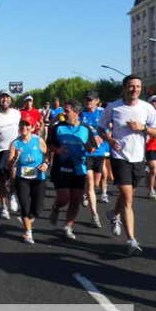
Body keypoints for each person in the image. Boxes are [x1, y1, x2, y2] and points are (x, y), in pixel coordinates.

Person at [99, 75, 156, 256]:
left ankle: (114, 214)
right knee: (127, 198)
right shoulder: (113, 107)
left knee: (127, 196)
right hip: (120, 157)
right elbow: (101, 128)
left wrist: (143, 128)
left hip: (138, 158)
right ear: (124, 88)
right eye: (131, 86)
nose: (135, 89)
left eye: (138, 86)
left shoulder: (147, 108)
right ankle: (132, 240)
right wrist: (110, 140)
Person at [48, 100, 98, 239]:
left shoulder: (85, 128)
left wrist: (90, 147)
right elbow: (49, 144)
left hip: (79, 168)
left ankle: (68, 226)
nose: (63, 114)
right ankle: (56, 207)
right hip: (61, 167)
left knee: (76, 199)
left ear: (76, 113)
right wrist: (57, 150)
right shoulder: (58, 127)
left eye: (67, 111)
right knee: (64, 198)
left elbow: (92, 147)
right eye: (63, 110)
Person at [8, 119, 48, 244]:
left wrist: (46, 164)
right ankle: (28, 233)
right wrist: (15, 157)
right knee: (25, 206)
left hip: (38, 178)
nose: (24, 127)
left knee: (37, 209)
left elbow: (47, 156)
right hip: (22, 179)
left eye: (27, 125)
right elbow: (10, 164)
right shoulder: (15, 143)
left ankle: (29, 219)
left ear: (32, 128)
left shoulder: (38, 140)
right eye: (22, 125)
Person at [0, 90, 22, 218]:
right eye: (2, 97)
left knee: (14, 177)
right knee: (1, 181)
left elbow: (24, 128)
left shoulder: (17, 113)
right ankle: (4, 207)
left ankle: (12, 195)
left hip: (14, 149)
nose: (5, 99)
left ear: (11, 99)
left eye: (7, 97)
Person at [80, 90, 109, 224]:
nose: (88, 102)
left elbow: (109, 129)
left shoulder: (103, 113)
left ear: (97, 101)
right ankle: (95, 215)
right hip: (86, 152)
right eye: (86, 99)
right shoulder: (81, 114)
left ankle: (84, 192)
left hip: (100, 152)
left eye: (91, 99)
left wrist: (103, 137)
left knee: (96, 183)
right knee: (90, 182)